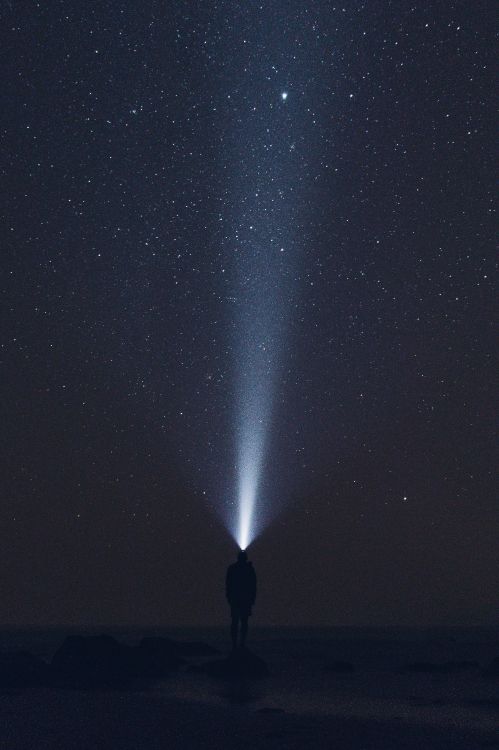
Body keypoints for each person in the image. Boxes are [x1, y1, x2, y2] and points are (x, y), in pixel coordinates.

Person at [225, 549, 257, 650]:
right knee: (243, 622)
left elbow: (228, 584)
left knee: (236, 621)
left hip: (236, 599)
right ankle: (241, 643)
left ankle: (235, 644)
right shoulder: (248, 569)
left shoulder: (232, 568)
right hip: (244, 599)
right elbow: (253, 585)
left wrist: (229, 597)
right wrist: (252, 598)